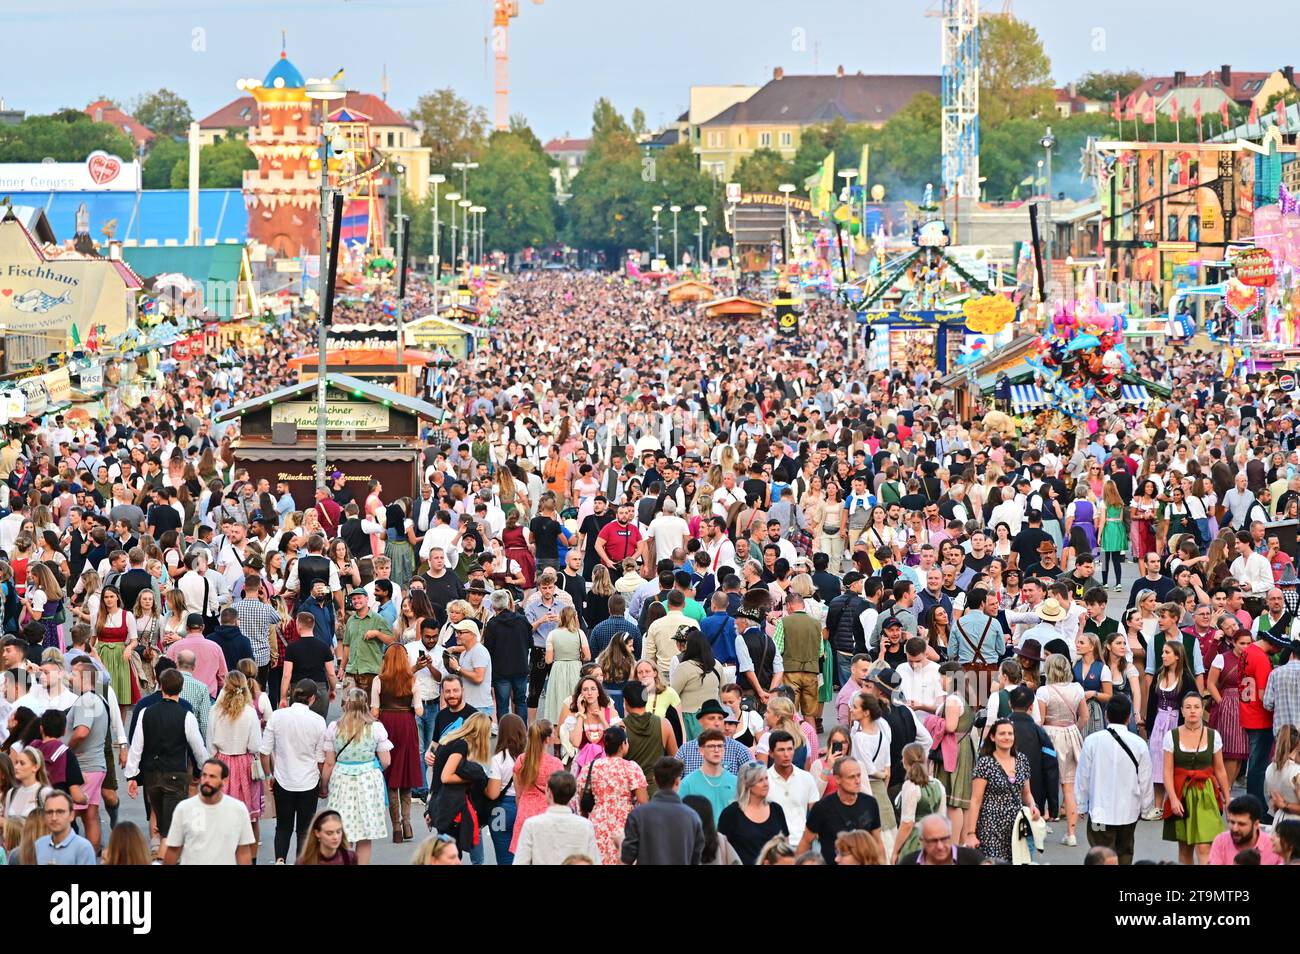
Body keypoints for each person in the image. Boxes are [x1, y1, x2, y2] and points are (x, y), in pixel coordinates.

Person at [124, 668, 209, 854]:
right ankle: (162, 857)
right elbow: (198, 748)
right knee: (170, 829)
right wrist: (205, 770)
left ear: (161, 686)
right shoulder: (186, 715)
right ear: (181, 688)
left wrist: (131, 775)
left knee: (157, 814)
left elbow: (136, 746)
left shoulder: (146, 712)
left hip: (151, 774)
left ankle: (157, 850)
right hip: (175, 774)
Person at [1074, 695, 1153, 865]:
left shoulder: (1092, 741)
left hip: (1099, 812)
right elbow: (1145, 780)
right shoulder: (1139, 744)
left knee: (1100, 853)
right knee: (1125, 851)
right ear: (1129, 717)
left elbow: (1083, 776)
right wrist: (1146, 809)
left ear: (1106, 714)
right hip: (1129, 811)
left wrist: (1080, 804)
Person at [259, 680, 327, 865]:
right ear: (312, 698)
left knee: (283, 826)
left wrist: (268, 775)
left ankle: (280, 859)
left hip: (283, 779)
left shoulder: (278, 716)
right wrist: (324, 783)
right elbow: (321, 758)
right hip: (309, 781)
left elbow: (264, 751)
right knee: (305, 829)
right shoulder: (318, 721)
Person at [321, 688, 391, 864]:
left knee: (342, 831)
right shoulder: (376, 727)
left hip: (342, 779)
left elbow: (329, 762)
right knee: (365, 834)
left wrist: (324, 784)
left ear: (346, 704)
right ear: (366, 704)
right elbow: (386, 760)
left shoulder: (334, 727)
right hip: (367, 780)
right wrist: (371, 766)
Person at [1163, 691, 1231, 866]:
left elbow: (1220, 769)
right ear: (1182, 711)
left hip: (1206, 793)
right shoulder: (1172, 736)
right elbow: (1167, 772)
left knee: (1204, 846)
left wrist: (1228, 798)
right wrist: (1172, 798)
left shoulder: (1213, 736)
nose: (1192, 711)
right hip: (1181, 793)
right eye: (1188, 707)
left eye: (1196, 707)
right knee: (1185, 847)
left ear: (1202, 710)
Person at [963, 719, 1040, 863]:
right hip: (990, 826)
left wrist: (1033, 806)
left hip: (1016, 826)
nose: (1007, 737)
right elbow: (975, 800)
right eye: (1002, 733)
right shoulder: (986, 763)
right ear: (993, 737)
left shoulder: (1022, 760)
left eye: (1010, 733)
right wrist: (971, 833)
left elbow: (1027, 793)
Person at [371, 643, 422, 843]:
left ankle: (396, 828)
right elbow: (419, 711)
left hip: (387, 725)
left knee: (391, 775)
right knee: (406, 775)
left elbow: (374, 711)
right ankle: (407, 822)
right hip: (407, 725)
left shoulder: (379, 680)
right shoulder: (412, 680)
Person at [1035, 653, 1086, 845]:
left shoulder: (1044, 692)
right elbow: (1084, 716)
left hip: (1049, 734)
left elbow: (1040, 720)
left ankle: (1041, 827)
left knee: (1044, 783)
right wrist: (1074, 729)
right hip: (1071, 733)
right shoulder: (1077, 689)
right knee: (1069, 786)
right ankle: (1071, 833)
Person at [163, 758, 255, 865]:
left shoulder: (238, 809)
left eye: (212, 776)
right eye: (204, 775)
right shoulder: (184, 808)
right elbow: (173, 849)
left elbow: (243, 851)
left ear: (224, 781)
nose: (206, 780)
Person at [208, 671, 264, 844]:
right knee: (248, 817)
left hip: (221, 761)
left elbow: (210, 743)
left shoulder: (215, 711)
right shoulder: (249, 712)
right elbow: (255, 745)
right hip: (244, 763)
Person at [577, 725, 647, 864]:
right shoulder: (631, 767)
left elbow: (581, 796)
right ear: (623, 745)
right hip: (624, 823)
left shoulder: (590, 767)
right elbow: (643, 801)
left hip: (597, 822)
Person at [798, 756, 883, 864]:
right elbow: (805, 842)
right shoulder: (822, 808)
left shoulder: (870, 803)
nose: (857, 781)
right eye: (851, 777)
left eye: (858, 775)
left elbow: (878, 842)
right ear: (838, 779)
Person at [620, 756, 705, 865]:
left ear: (655, 780)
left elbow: (627, 857)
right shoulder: (692, 817)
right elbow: (697, 857)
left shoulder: (638, 815)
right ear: (678, 781)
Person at [514, 770, 602, 865]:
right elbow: (595, 861)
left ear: (549, 792)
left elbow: (521, 861)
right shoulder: (586, 825)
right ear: (572, 794)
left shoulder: (531, 825)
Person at [509, 719, 564, 856]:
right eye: (553, 731)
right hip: (547, 815)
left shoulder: (521, 760)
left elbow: (518, 794)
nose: (555, 733)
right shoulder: (555, 764)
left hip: (525, 813)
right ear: (547, 739)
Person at [892, 741, 947, 864]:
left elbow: (907, 823)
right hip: (934, 840)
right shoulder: (938, 784)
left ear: (905, 761)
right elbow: (942, 818)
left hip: (914, 842)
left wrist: (895, 851)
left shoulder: (910, 786)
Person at [677, 727, 736, 823]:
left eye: (720, 746)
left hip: (729, 836)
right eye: (711, 746)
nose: (716, 750)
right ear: (701, 750)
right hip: (700, 835)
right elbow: (678, 815)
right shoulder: (687, 783)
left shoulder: (735, 782)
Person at [28, 789, 96, 865]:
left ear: (71, 815)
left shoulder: (83, 848)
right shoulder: (39, 845)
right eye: (49, 812)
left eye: (60, 812)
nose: (54, 818)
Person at [1208, 795, 1282, 865]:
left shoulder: (1273, 846)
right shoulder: (1221, 841)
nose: (1235, 828)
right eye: (1232, 822)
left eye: (1241, 824)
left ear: (1256, 824)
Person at [897, 813, 985, 865]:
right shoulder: (909, 862)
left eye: (944, 839)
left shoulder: (973, 859)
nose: (940, 846)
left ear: (950, 836)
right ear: (922, 841)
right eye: (933, 841)